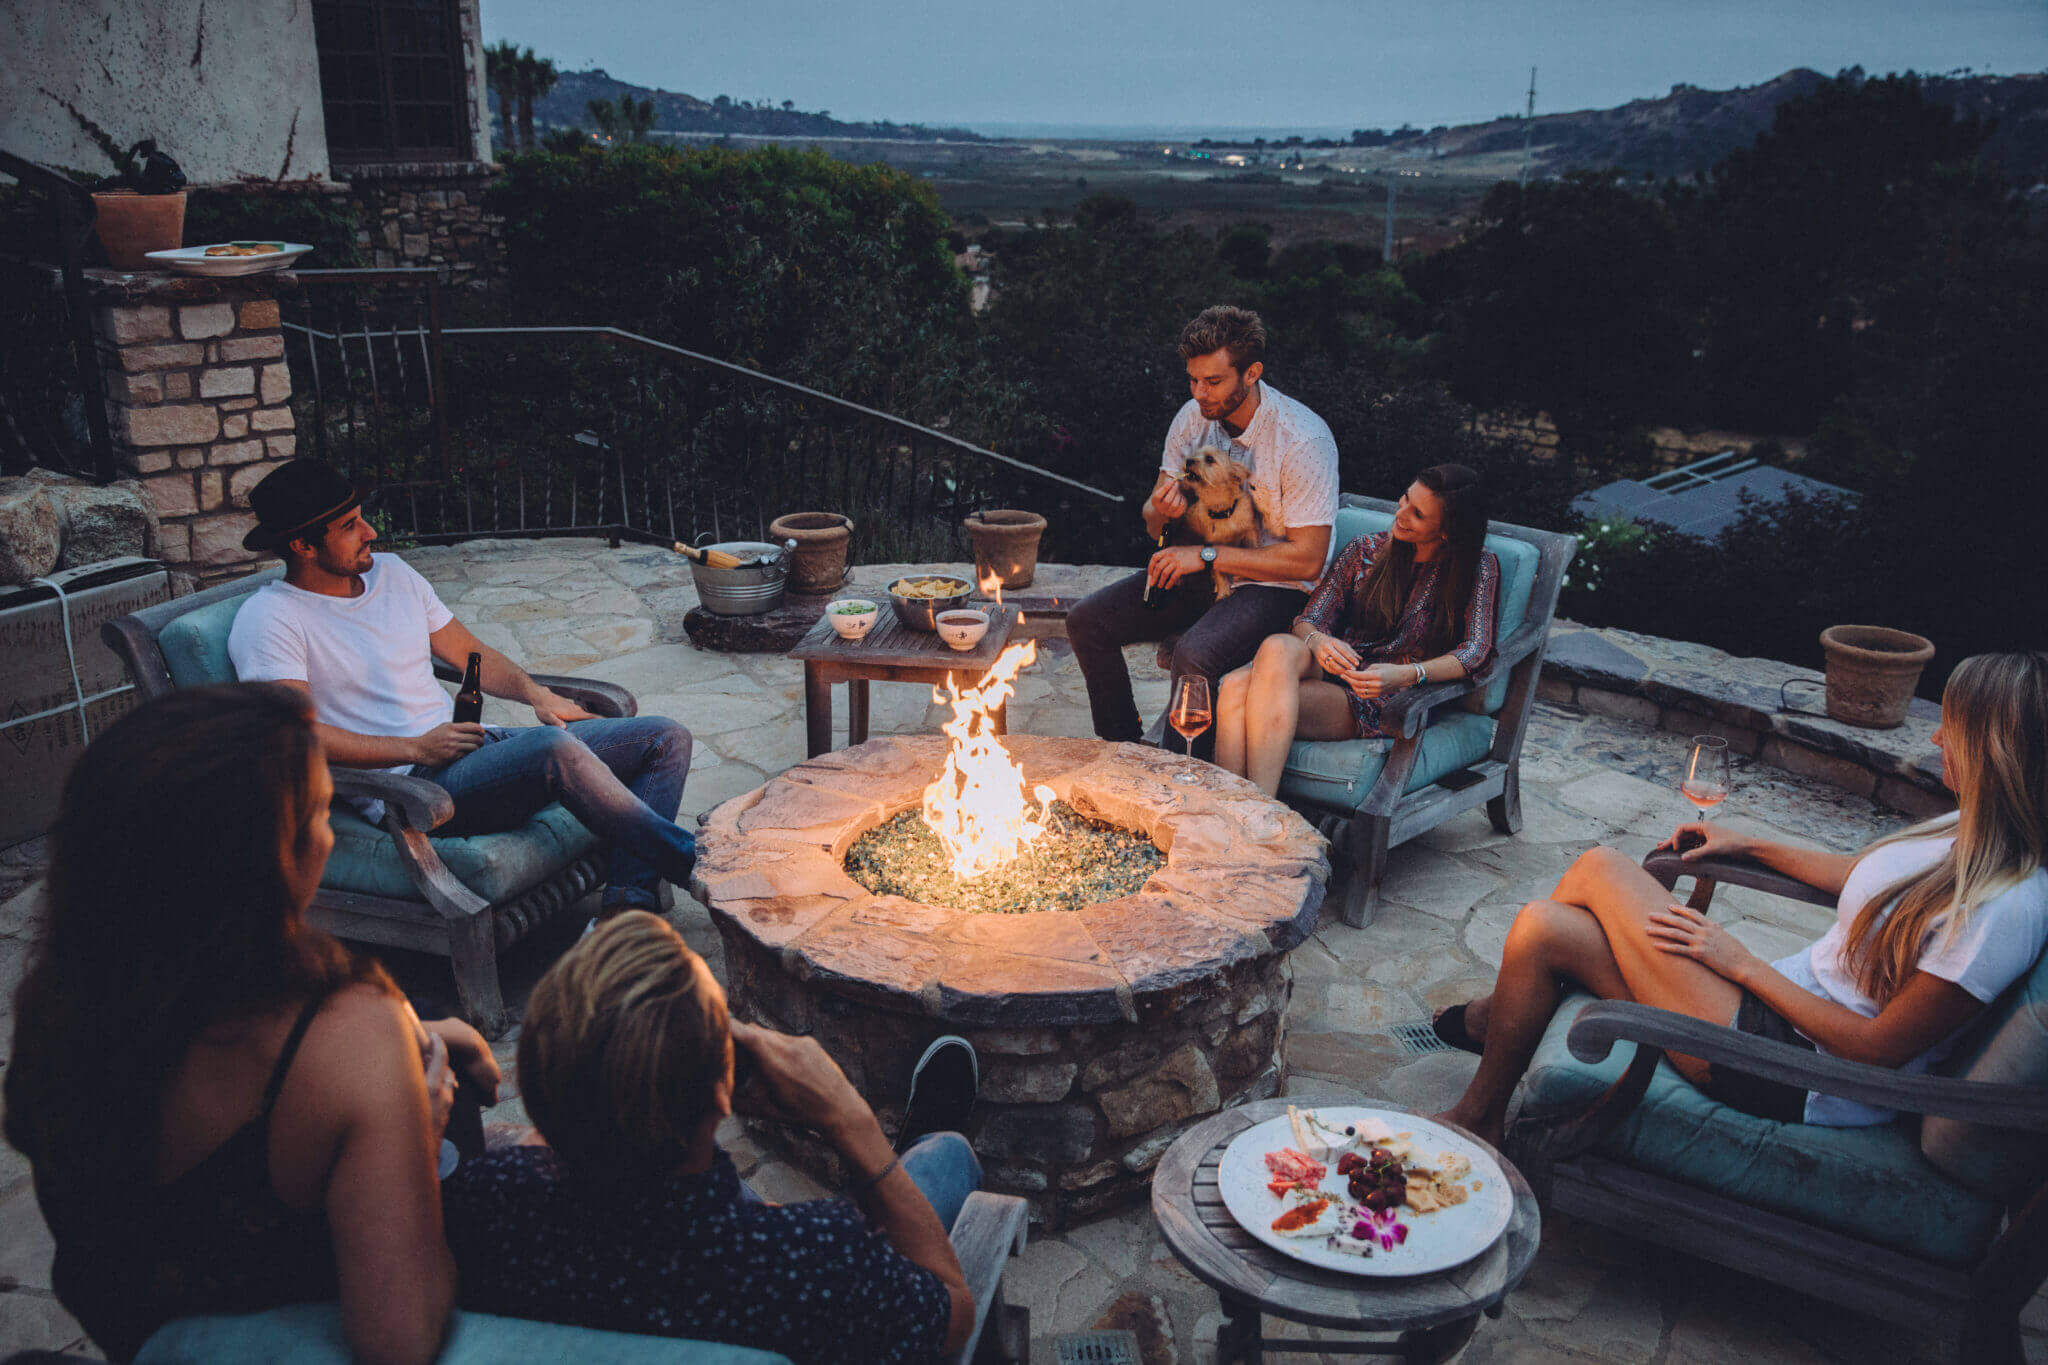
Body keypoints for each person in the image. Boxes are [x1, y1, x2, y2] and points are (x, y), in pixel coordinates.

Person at [3, 684, 494, 1364]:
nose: (328, 836)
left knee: (437, 1035)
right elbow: (399, 1339)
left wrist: (423, 1037)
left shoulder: (54, 1005)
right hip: (281, 1330)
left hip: (134, 1333)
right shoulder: (341, 1031)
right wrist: (417, 1129)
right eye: (320, 813)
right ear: (263, 861)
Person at [1433, 651, 2048, 1146]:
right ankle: (1485, 1090)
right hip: (1771, 1016)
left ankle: (1490, 1038)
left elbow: (1876, 1050)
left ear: (1999, 751)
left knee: (1598, 869)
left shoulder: (2005, 910)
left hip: (1792, 1070)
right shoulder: (1972, 832)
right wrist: (1748, 846)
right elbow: (1864, 874)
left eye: (1955, 726)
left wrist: (1738, 962)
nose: (1938, 736)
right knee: (1544, 929)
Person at [442, 912, 982, 1364]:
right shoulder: (813, 1259)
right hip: (786, 1286)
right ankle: (914, 1142)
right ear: (721, 1092)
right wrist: (850, 1120)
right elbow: (955, 1315)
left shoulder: (483, 1203)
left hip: (653, 1265)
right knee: (946, 1156)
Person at [227, 460, 697, 917]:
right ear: (302, 546)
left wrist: (538, 694)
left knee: (664, 737)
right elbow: (295, 737)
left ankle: (625, 910)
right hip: (412, 787)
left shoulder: (393, 575)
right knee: (551, 748)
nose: (371, 532)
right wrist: (418, 747)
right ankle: (697, 865)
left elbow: (472, 655)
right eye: (350, 526)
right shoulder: (271, 619)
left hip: (475, 750)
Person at [1066, 305, 1339, 759]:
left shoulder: (1303, 440)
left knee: (1195, 655)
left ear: (1251, 373)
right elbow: (1151, 519)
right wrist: (1161, 509)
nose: (1199, 394)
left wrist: (1207, 557)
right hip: (1204, 570)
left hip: (1278, 588)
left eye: (1213, 382)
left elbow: (1308, 559)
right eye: (1193, 379)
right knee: (1087, 621)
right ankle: (1125, 754)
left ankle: (1178, 782)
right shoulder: (1192, 418)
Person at [1213, 464, 1499, 797]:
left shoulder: (1477, 568)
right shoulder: (1365, 549)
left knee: (1236, 688)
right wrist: (1318, 642)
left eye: (1418, 514)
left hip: (1379, 698)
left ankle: (1241, 813)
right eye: (1405, 499)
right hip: (1332, 668)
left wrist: (1407, 674)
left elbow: (1476, 651)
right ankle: (1257, 810)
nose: (1401, 513)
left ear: (1447, 531)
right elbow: (1309, 619)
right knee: (1279, 646)